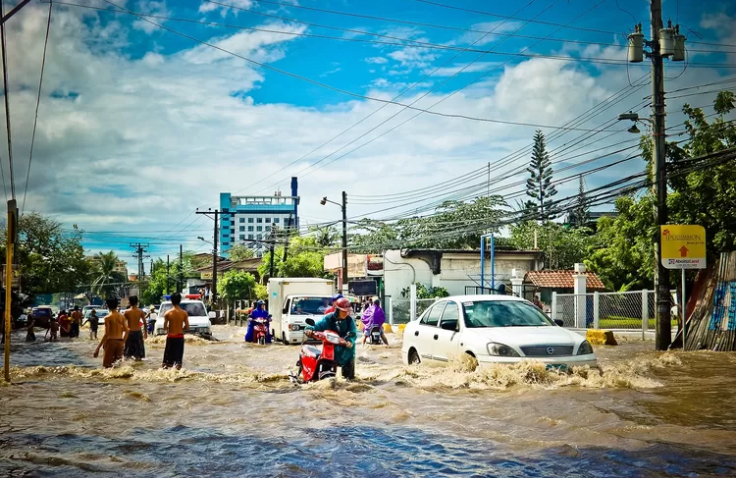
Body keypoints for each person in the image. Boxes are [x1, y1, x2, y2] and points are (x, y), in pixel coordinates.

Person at [305, 297, 357, 380]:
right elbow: (317, 326)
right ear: (337, 310)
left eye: (346, 311)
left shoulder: (349, 321)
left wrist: (350, 341)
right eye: (343, 311)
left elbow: (353, 333)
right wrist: (309, 329)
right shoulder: (328, 319)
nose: (345, 313)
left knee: (350, 380)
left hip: (346, 349)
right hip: (331, 348)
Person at [94, 298, 129, 368]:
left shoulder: (107, 318)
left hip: (110, 342)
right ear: (117, 305)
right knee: (118, 366)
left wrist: (98, 348)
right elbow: (127, 330)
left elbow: (107, 334)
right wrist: (123, 342)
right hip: (120, 342)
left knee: (106, 366)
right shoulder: (122, 316)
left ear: (107, 305)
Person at [162, 292, 189, 369]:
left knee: (166, 363)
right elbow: (187, 327)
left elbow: (164, 328)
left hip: (170, 337)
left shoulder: (167, 313)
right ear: (180, 301)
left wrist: (170, 328)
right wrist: (180, 328)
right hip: (179, 338)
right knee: (178, 363)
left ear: (171, 301)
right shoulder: (184, 313)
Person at [124, 296, 147, 361]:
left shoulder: (127, 312)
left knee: (127, 355)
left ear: (129, 302)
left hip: (130, 333)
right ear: (137, 302)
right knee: (139, 355)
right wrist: (145, 333)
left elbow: (123, 324)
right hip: (138, 333)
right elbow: (145, 323)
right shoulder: (140, 311)